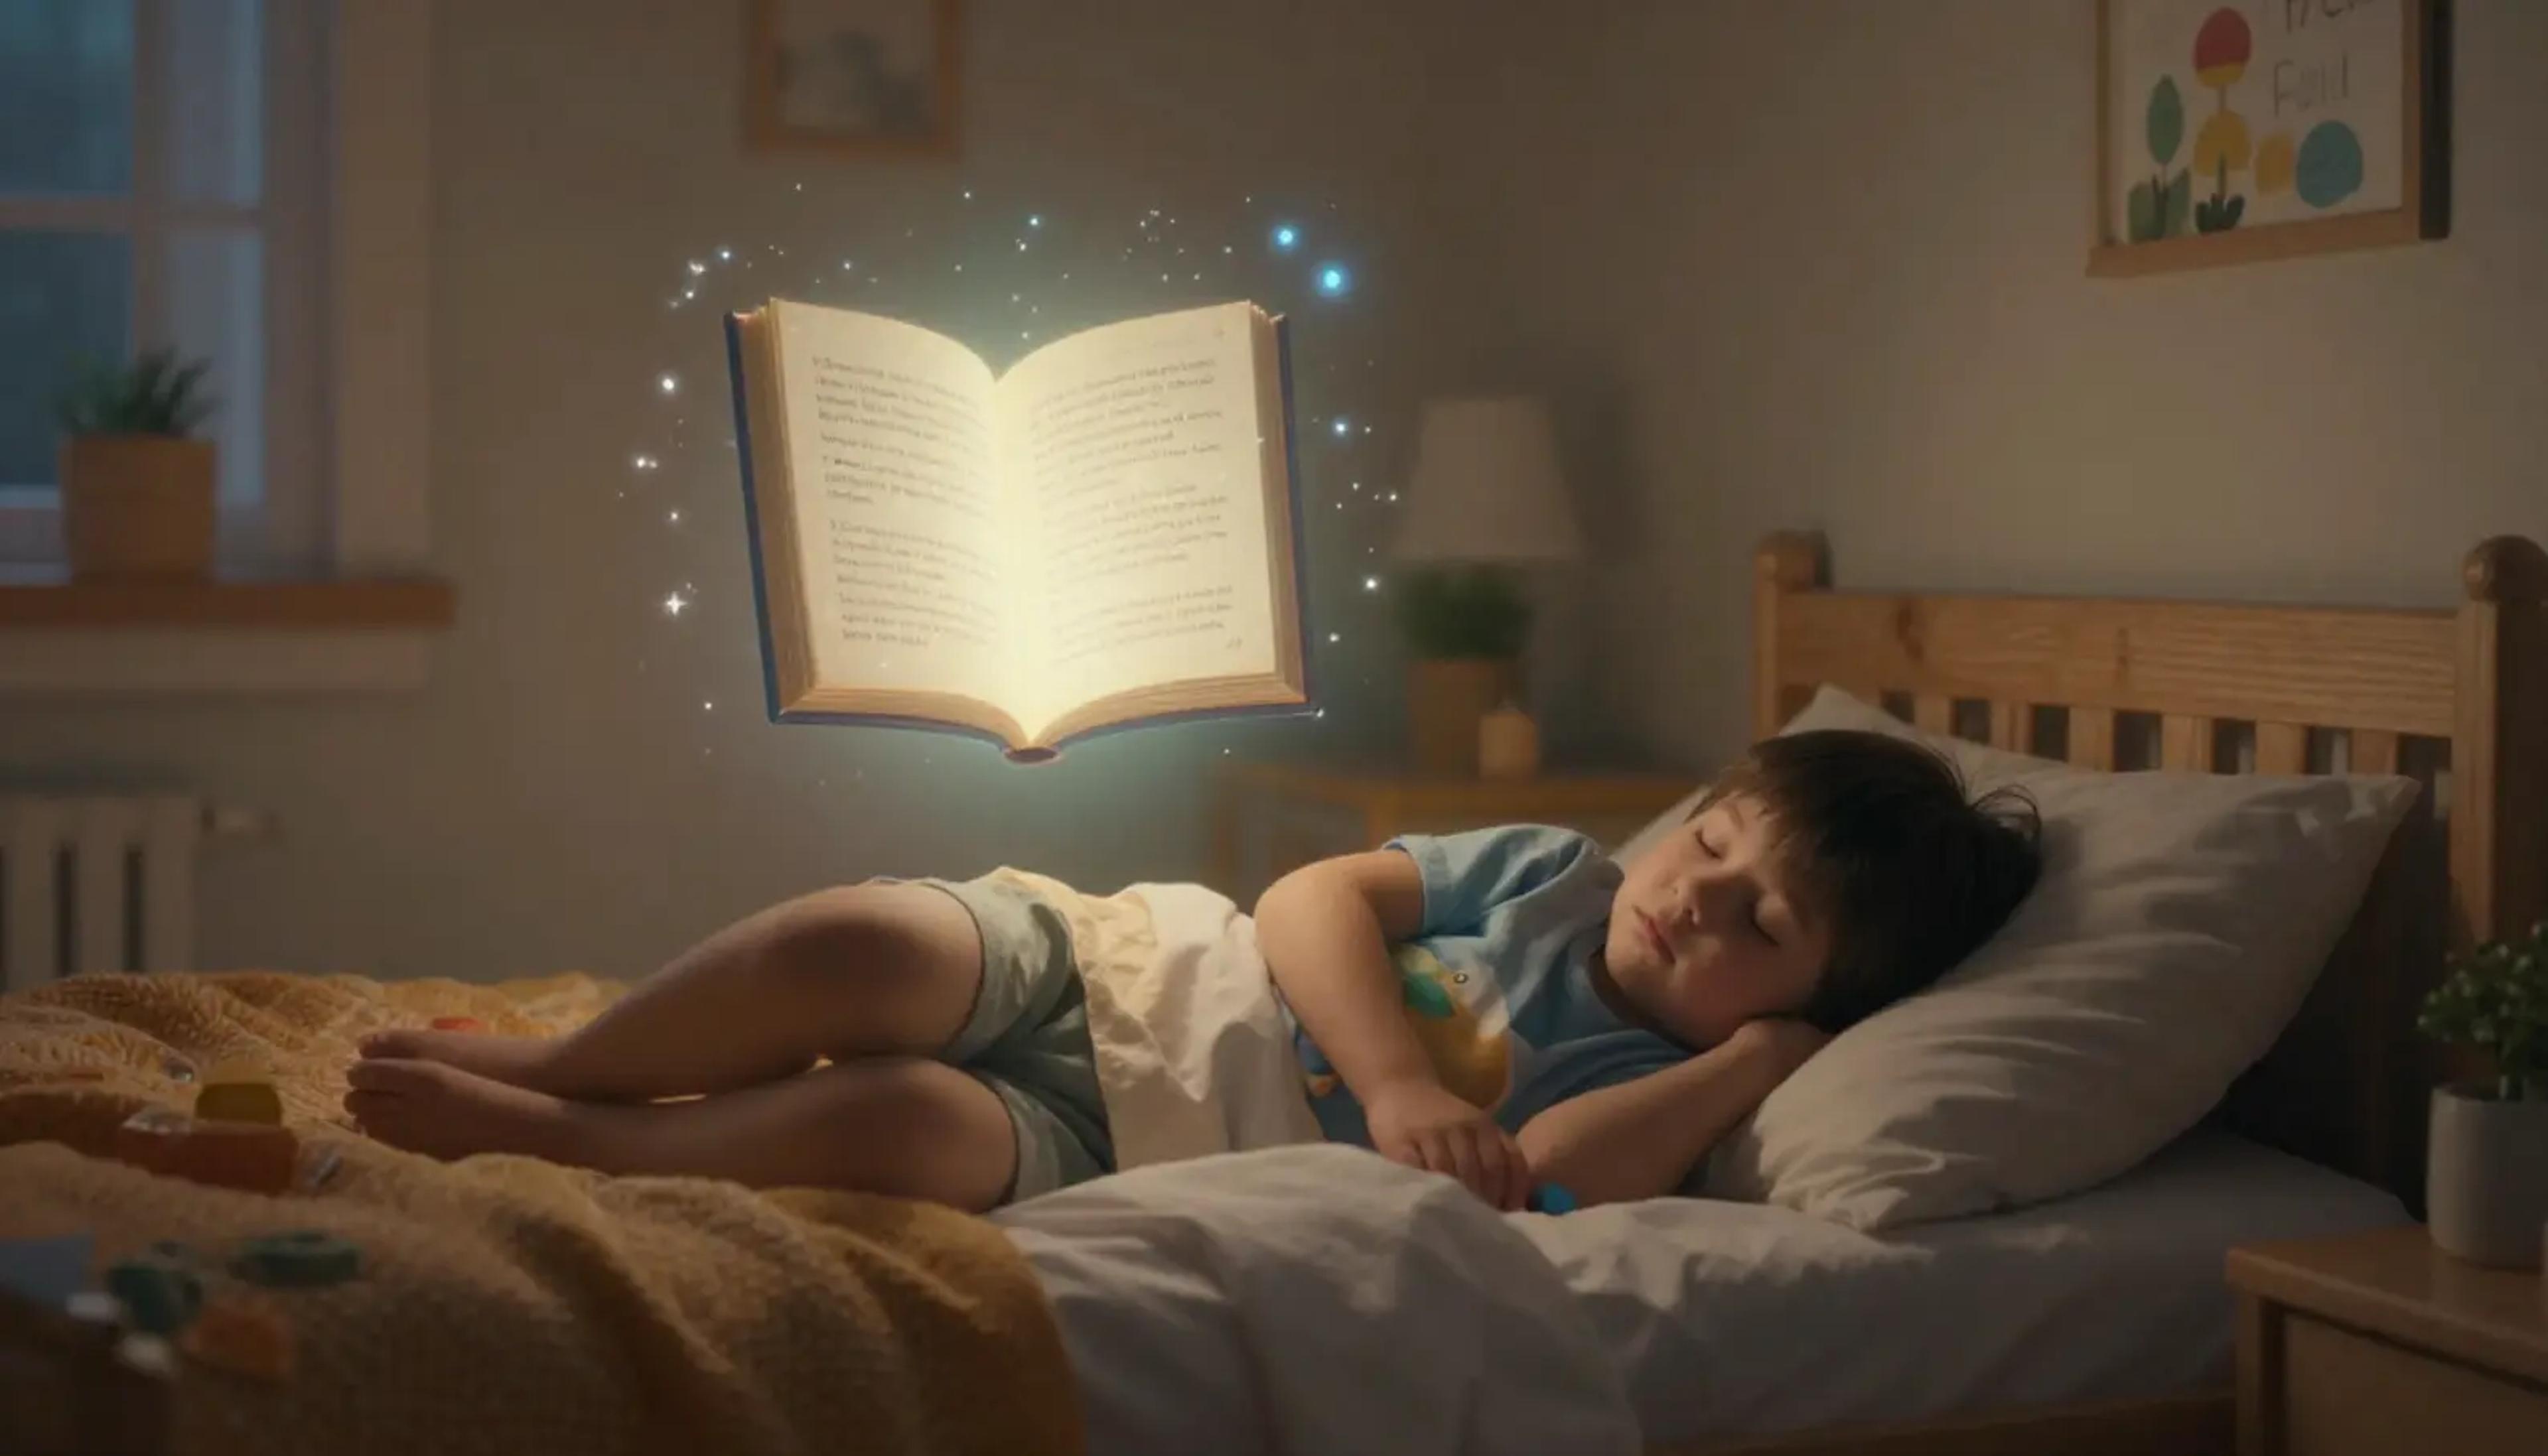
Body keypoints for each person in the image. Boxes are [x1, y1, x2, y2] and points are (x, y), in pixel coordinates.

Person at [346, 729, 2040, 1213]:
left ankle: (589, 1147)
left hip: (1156, 1144)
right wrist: (1387, 1080)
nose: (1700, 906)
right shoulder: (1545, 873)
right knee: (856, 944)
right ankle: (567, 1069)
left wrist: (1756, 1068)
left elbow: (1543, 1184)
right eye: (1716, 852)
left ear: (1821, 995)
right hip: (1135, 972)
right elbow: (1309, 900)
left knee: (900, 1133)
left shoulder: (1659, 1079)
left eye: (1767, 930)